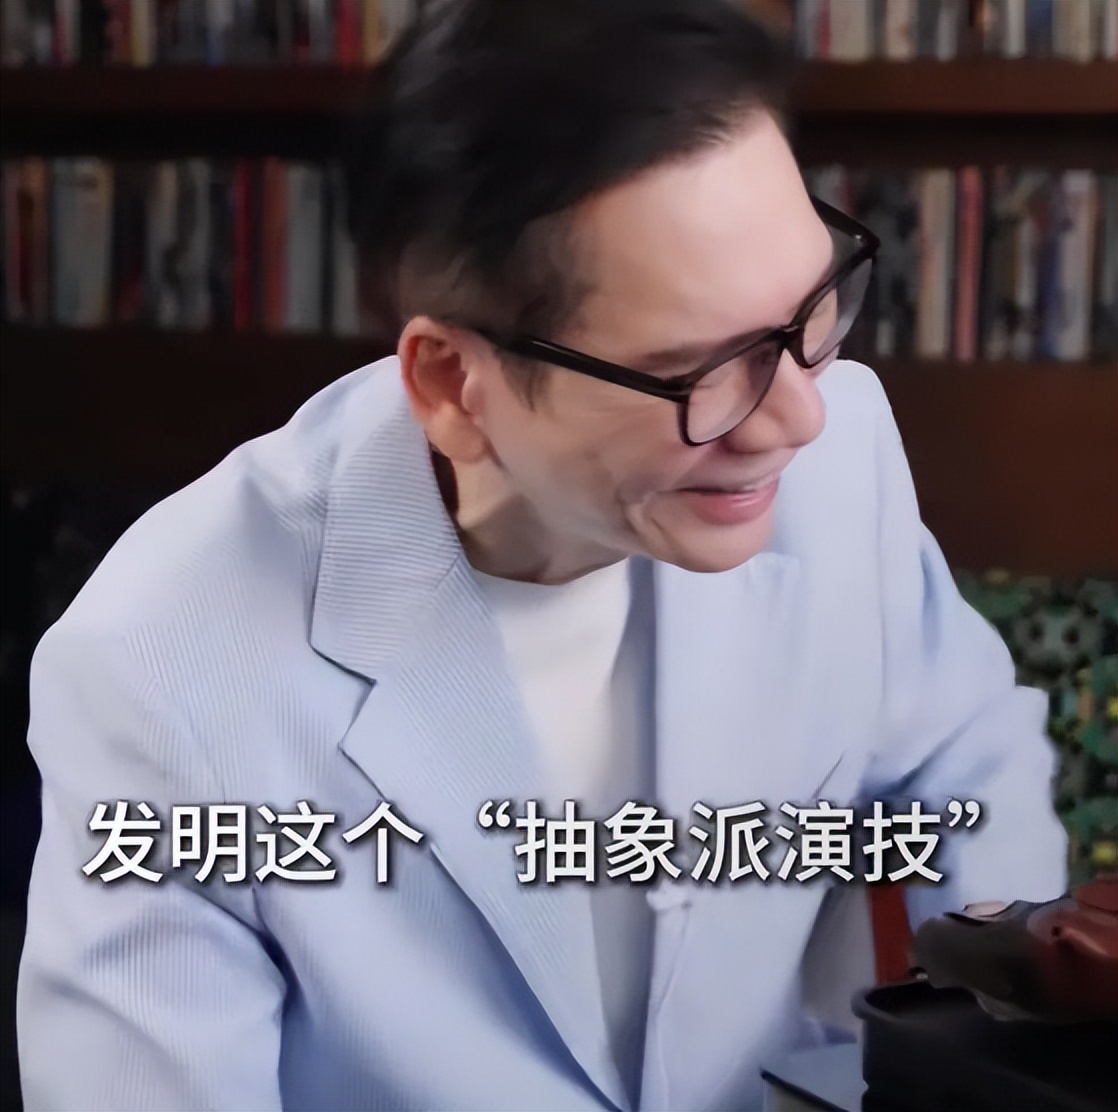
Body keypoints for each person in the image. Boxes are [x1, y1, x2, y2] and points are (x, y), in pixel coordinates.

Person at [18, 1, 1068, 1109]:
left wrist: (1002, 1055)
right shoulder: (161, 667)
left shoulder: (840, 454)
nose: (796, 417)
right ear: (452, 383)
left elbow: (966, 755)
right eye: (695, 372)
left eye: (812, 307)